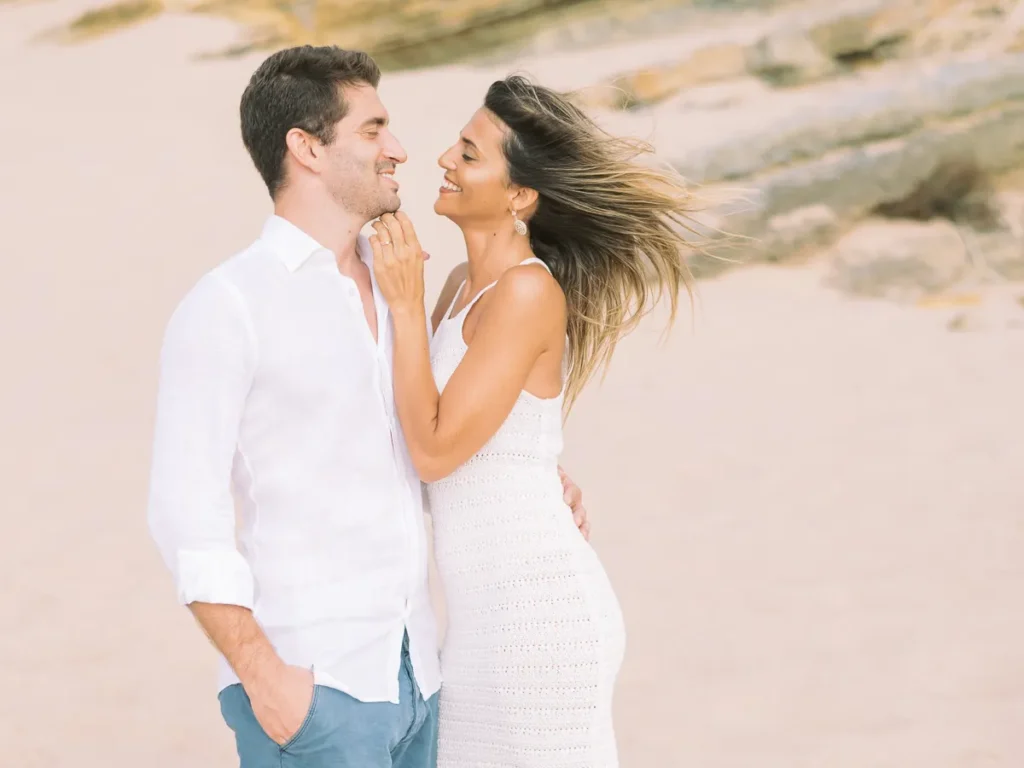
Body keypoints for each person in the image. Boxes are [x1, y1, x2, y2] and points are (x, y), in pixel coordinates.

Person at [145, 47, 590, 768]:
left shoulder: (398, 290)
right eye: (375, 129)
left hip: (422, 678)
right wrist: (269, 682)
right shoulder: (230, 305)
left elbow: (412, 450)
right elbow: (181, 513)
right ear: (308, 148)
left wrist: (529, 477)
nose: (401, 150)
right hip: (317, 687)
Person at [369, 74, 700, 767]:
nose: (444, 162)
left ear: (519, 196)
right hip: (481, 624)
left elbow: (432, 451)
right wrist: (536, 467)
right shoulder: (464, 288)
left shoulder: (527, 292)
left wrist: (403, 303)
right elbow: (431, 428)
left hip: (536, 619)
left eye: (469, 153)